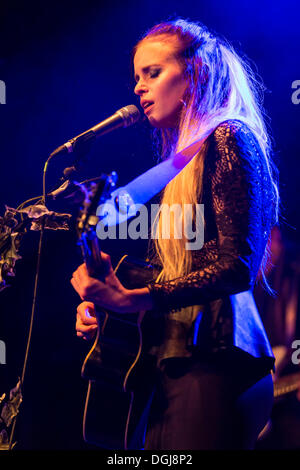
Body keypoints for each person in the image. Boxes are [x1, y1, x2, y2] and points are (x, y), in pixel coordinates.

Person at [70, 19, 280, 450]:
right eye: (136, 78)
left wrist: (133, 299)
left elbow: (234, 266)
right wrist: (108, 305)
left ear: (195, 73)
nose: (138, 89)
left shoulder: (229, 137)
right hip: (177, 358)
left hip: (218, 358)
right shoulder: (181, 163)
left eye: (153, 73)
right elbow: (180, 277)